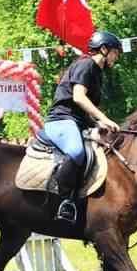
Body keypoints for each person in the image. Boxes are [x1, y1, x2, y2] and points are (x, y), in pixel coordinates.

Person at [40, 29, 123, 223]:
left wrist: (99, 123)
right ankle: (63, 202)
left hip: (78, 122)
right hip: (61, 120)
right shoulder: (86, 64)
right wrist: (104, 118)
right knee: (77, 152)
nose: (116, 57)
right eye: (115, 52)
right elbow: (78, 97)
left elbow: (85, 109)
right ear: (104, 49)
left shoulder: (97, 73)